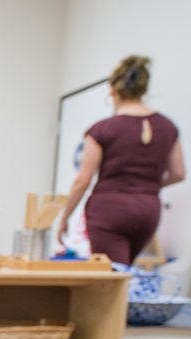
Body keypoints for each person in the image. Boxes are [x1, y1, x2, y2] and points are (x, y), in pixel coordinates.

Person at [57, 55, 184, 265]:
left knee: (111, 279)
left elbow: (83, 180)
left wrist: (64, 218)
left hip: (109, 210)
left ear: (113, 91)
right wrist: (147, 185)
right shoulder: (167, 127)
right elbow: (178, 173)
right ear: (143, 90)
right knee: (124, 272)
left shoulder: (102, 129)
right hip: (148, 210)